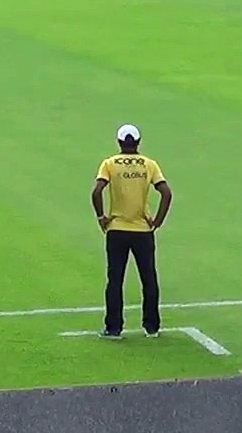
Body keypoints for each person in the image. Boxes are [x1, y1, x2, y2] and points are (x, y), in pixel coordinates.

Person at [91, 124, 173, 339]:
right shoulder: (149, 165)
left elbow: (97, 191)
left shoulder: (109, 164)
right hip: (143, 230)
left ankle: (114, 328)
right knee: (149, 277)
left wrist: (102, 217)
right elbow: (166, 192)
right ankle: (152, 326)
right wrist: (158, 220)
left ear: (119, 142)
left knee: (115, 279)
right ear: (138, 142)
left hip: (117, 229)